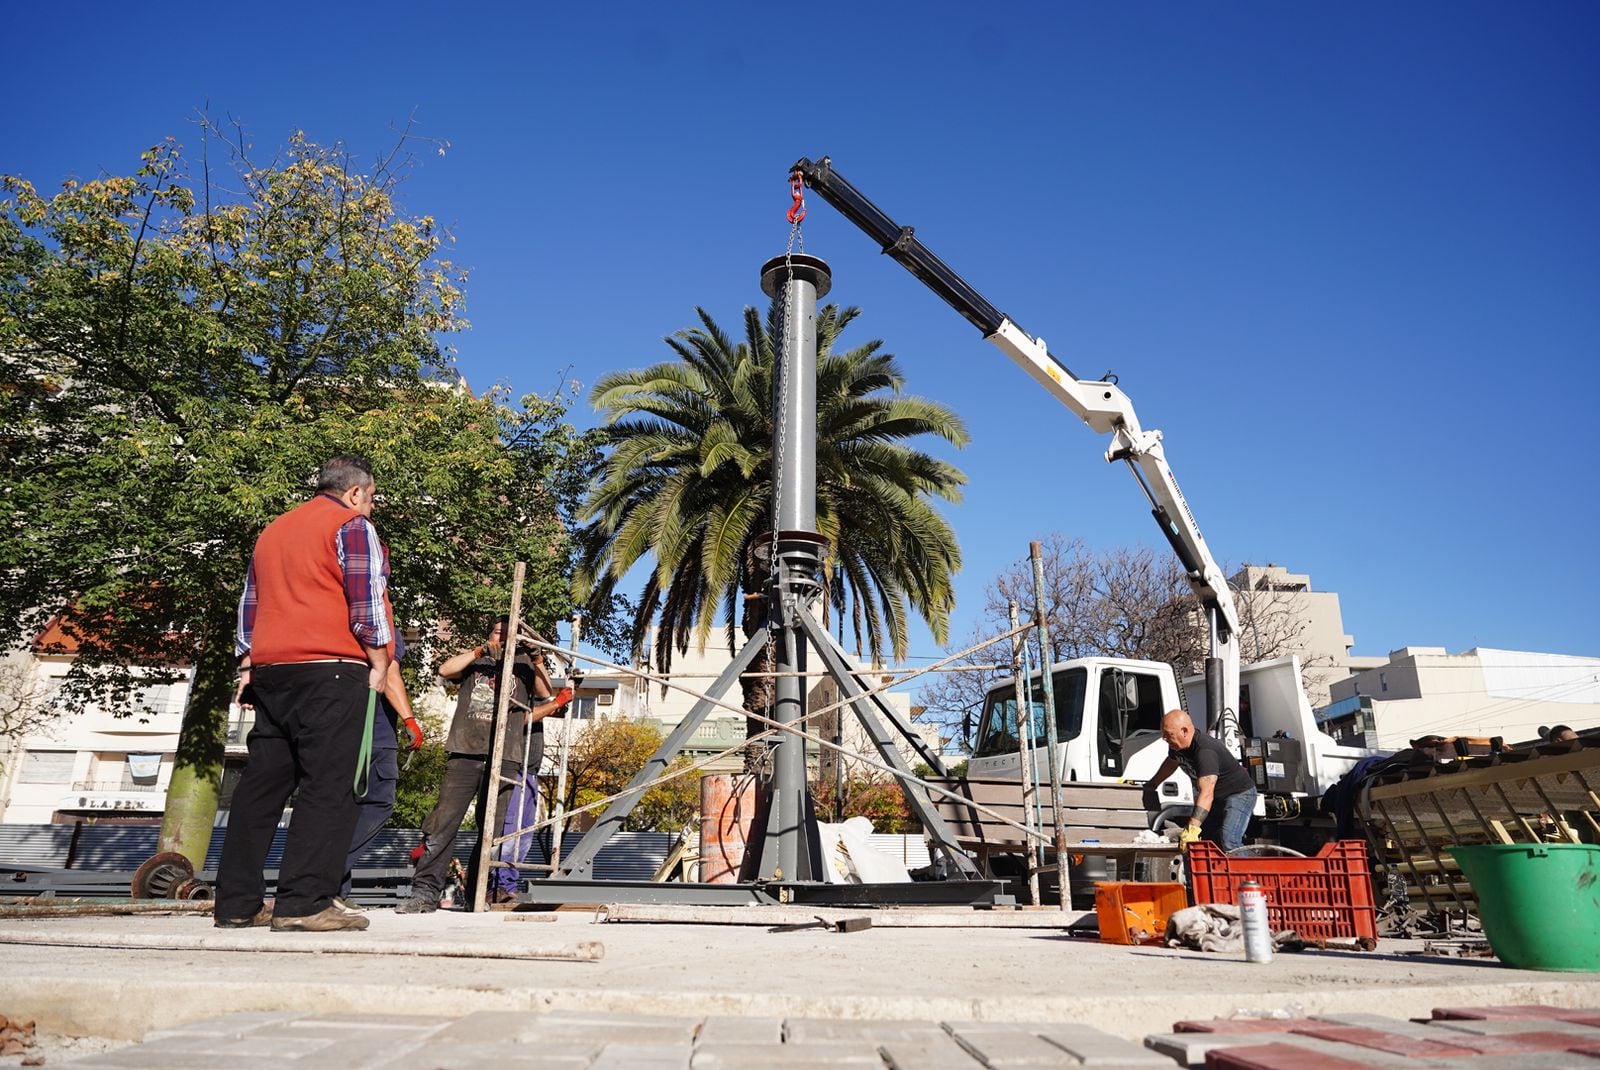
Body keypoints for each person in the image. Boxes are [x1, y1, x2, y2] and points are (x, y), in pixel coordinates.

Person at [216, 455, 392, 932]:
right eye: (372, 498)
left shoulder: (274, 530)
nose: (371, 508)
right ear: (356, 492)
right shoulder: (352, 526)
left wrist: (247, 663)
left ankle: (235, 903)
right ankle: (304, 902)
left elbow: (250, 603)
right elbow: (366, 597)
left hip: (272, 672)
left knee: (260, 787)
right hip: (331, 670)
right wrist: (379, 658)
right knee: (329, 787)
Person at [396, 619, 571, 913]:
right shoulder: (476, 659)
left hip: (506, 755)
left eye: (509, 634)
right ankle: (424, 893)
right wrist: (480, 651)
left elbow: (543, 692)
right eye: (497, 633)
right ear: (488, 635)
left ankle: (476, 895)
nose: (503, 638)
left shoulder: (525, 664)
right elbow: (444, 669)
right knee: (443, 823)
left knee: (490, 829)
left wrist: (537, 657)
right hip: (465, 750)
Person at [1143, 709, 1258, 853]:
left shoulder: (1205, 751)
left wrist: (1192, 828)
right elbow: (1172, 763)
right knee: (1206, 841)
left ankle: (1249, 875)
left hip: (1239, 794)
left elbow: (1206, 794)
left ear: (1184, 731)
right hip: (1216, 798)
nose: (1164, 738)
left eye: (1168, 734)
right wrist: (1152, 784)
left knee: (1229, 840)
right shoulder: (1177, 747)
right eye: (1163, 734)